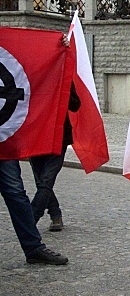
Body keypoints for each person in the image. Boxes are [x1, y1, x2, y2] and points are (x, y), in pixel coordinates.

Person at [29, 84, 80, 232]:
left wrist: (62, 90)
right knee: (41, 181)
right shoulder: (32, 74)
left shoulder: (63, 76)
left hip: (59, 137)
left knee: (46, 180)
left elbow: (75, 105)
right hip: (36, 135)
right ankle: (55, 214)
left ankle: (30, 219)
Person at [1, 161, 69, 265]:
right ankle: (33, 246)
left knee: (17, 194)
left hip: (5, 151)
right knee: (18, 193)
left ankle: (33, 247)